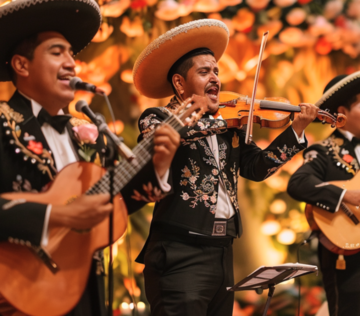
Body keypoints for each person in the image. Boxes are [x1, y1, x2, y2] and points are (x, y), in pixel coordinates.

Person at [0, 0, 180, 315]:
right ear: (21, 65)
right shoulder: (2, 123)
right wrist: (57, 216)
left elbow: (111, 203)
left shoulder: (84, 133)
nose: (72, 63)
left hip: (85, 292)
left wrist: (159, 169)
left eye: (72, 53)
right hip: (19, 292)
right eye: (57, 52)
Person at [132, 19, 319, 316]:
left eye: (217, 71)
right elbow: (167, 137)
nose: (216, 78)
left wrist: (295, 131)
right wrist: (219, 120)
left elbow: (257, 168)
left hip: (223, 250)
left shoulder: (229, 123)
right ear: (180, 84)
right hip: (180, 252)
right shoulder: (157, 118)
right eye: (204, 71)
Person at [288, 73, 360, 316]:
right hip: (348, 256)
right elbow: (298, 183)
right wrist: (344, 195)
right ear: (342, 112)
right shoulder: (325, 151)